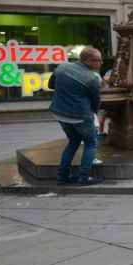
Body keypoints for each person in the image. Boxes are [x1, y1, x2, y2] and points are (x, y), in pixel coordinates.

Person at [50, 47, 104, 186]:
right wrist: (94, 113)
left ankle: (62, 177)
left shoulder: (62, 67)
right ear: (87, 60)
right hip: (80, 115)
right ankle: (84, 177)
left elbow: (51, 85)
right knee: (91, 144)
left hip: (60, 113)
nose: (100, 63)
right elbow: (96, 100)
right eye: (97, 60)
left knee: (73, 142)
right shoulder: (92, 78)